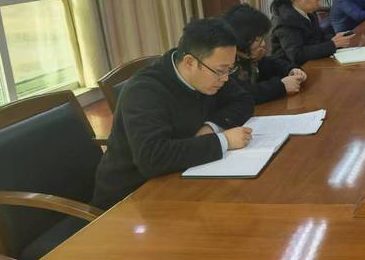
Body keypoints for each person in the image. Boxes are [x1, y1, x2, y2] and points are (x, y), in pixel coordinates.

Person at [92, 18, 255, 209]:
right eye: (221, 70)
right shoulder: (144, 91)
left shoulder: (210, 73)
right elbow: (152, 158)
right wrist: (223, 141)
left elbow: (244, 100)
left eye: (230, 69)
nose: (226, 78)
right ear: (190, 62)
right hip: (131, 199)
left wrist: (210, 127)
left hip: (183, 174)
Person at [223, 3, 307, 104]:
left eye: (262, 37)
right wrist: (281, 86)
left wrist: (293, 70)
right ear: (241, 39)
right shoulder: (225, 63)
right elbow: (242, 93)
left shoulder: (251, 57)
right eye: (257, 40)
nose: (263, 44)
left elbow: (273, 65)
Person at [271, 0, 353, 64]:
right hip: (291, 68)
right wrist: (332, 44)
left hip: (311, 62)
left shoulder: (309, 12)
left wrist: (336, 39)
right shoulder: (285, 19)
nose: (320, 4)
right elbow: (297, 55)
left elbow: (318, 37)